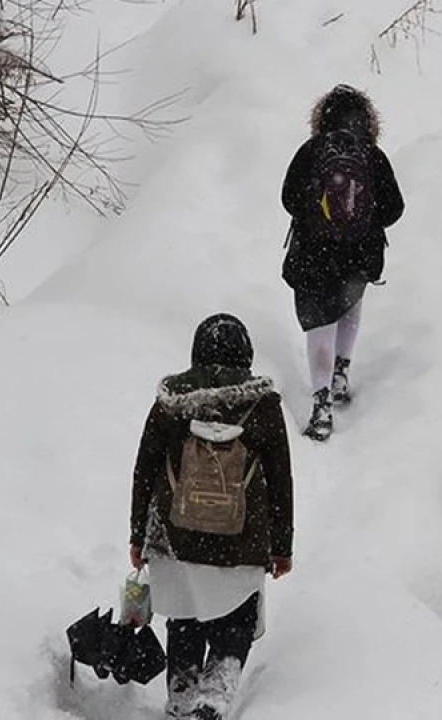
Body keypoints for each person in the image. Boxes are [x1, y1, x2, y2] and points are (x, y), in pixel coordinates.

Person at [130, 314, 294, 720]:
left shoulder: (170, 401)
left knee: (184, 616)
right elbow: (280, 479)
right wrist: (282, 546)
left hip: (175, 536)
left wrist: (137, 535)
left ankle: (182, 696)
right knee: (236, 619)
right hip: (242, 538)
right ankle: (214, 696)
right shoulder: (263, 405)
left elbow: (145, 469)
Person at [281, 83, 404, 441]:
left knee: (318, 323)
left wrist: (316, 218)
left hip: (312, 256)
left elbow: (288, 199)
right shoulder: (372, 155)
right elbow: (395, 207)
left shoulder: (311, 151)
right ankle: (341, 372)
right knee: (349, 302)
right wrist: (362, 223)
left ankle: (321, 403)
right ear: (367, 120)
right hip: (358, 256)